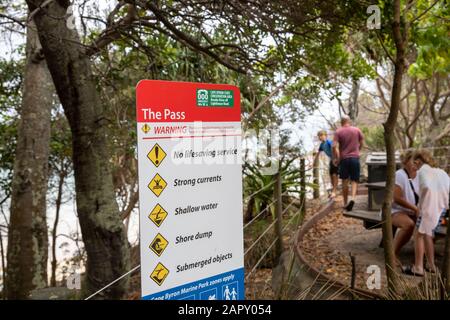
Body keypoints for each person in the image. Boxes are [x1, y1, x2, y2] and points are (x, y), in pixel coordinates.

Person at [403, 150, 450, 276]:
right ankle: (431, 265)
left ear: (418, 161)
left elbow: (426, 187)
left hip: (429, 208)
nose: (414, 166)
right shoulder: (441, 172)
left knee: (418, 234)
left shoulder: (423, 171)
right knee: (428, 234)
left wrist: (421, 207)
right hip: (441, 209)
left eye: (414, 163)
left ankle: (418, 267)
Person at [391, 151, 419, 265]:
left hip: (413, 211)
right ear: (405, 162)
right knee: (408, 225)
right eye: (413, 160)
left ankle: (420, 259)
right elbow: (396, 198)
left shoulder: (420, 175)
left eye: (417, 159)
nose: (416, 162)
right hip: (396, 210)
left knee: (428, 225)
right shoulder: (399, 175)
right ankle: (392, 254)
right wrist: (415, 209)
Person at [333, 116, 364, 211]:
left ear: (341, 122)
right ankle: (353, 199)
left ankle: (346, 202)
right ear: (349, 121)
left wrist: (337, 157)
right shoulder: (357, 130)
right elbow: (362, 142)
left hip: (344, 160)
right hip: (355, 158)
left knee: (345, 181)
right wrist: (358, 151)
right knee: (355, 180)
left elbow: (334, 146)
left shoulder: (338, 132)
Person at [313, 130, 338, 198]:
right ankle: (334, 191)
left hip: (336, 159)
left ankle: (334, 192)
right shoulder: (322, 145)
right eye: (319, 136)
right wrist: (313, 164)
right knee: (331, 175)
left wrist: (337, 159)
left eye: (322, 135)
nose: (320, 137)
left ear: (325, 136)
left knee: (334, 175)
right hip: (331, 160)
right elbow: (318, 153)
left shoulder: (329, 142)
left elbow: (336, 150)